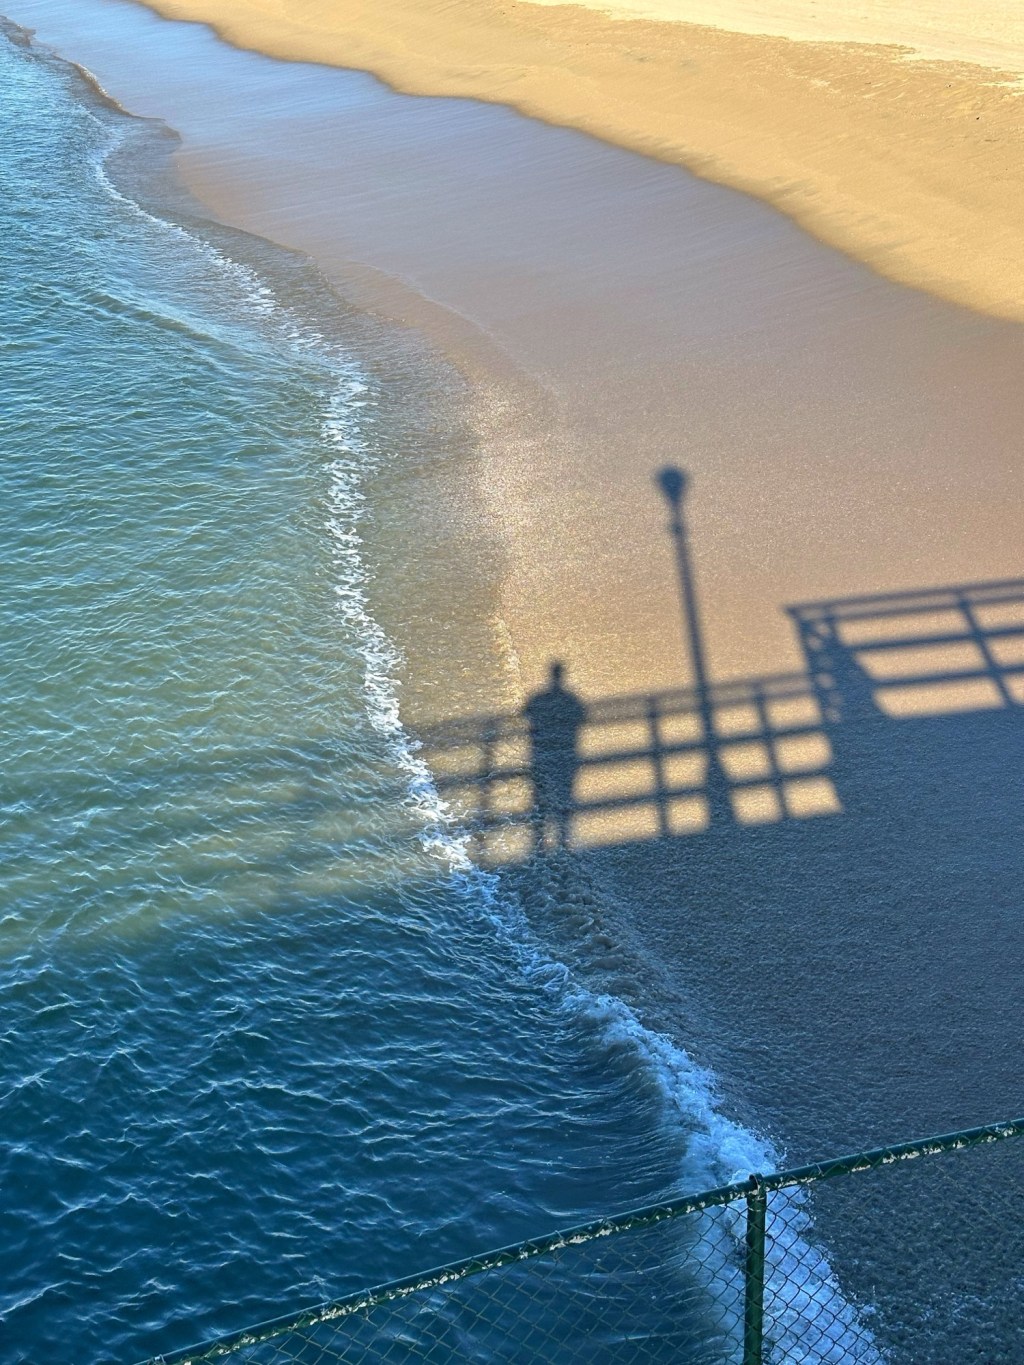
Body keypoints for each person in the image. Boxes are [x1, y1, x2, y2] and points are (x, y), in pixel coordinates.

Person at [522, 661, 586, 853]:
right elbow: (582, 718)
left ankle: (537, 843)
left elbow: (525, 714)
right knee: (566, 794)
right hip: (568, 753)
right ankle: (563, 841)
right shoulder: (572, 699)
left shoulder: (537, 698)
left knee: (539, 795)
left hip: (539, 752)